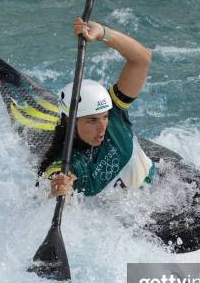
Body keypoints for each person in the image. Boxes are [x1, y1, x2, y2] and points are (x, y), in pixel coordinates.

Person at [37, 18, 155, 197]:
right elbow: (57, 182)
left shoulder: (115, 112)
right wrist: (58, 189)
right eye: (91, 120)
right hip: (131, 220)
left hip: (160, 189)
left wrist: (102, 32)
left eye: (104, 117)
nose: (102, 127)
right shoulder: (68, 162)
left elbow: (142, 59)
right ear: (70, 121)